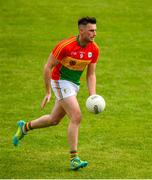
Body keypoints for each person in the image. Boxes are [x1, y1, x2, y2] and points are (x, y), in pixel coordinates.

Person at [13, 16, 99, 170]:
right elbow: (48, 66)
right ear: (81, 31)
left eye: (95, 30)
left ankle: (25, 127)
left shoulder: (94, 49)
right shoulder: (65, 46)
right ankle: (74, 158)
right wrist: (48, 91)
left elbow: (91, 74)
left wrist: (92, 95)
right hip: (59, 81)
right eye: (91, 31)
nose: (95, 34)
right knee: (76, 116)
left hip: (74, 85)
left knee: (54, 120)